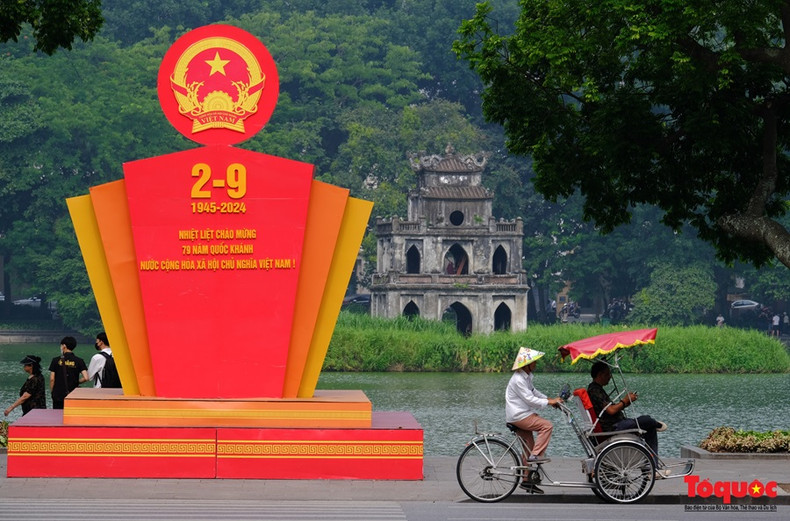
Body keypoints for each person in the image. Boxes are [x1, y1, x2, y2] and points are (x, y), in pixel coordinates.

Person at [587, 361, 668, 476]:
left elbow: (610, 409)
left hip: (617, 423)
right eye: (608, 374)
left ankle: (650, 467)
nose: (610, 377)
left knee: (649, 428)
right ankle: (652, 467)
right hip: (614, 427)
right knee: (647, 420)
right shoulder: (594, 390)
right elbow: (611, 410)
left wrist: (626, 402)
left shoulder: (596, 389)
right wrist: (624, 401)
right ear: (600, 375)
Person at [505, 346, 563, 494]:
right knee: (547, 426)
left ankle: (526, 480)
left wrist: (550, 400)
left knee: (528, 447)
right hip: (520, 415)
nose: (536, 364)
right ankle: (535, 456)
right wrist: (549, 403)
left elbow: (534, 392)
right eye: (534, 362)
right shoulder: (518, 379)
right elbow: (530, 400)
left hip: (522, 414)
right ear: (527, 364)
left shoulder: (527, 377)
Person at [48, 336, 89, 409]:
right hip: (73, 394)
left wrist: (53, 392)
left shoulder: (55, 360)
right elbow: (86, 378)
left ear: (64, 346)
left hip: (58, 394)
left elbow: (52, 379)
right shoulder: (79, 361)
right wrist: (76, 381)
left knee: (58, 415)